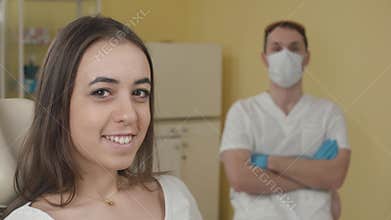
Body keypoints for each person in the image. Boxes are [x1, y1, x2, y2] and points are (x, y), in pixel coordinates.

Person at [3, 16, 202, 220]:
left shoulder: (175, 197)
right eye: (102, 92)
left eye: (140, 93)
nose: (129, 114)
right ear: (57, 106)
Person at [220, 20, 351, 220]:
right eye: (277, 48)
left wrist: (266, 162)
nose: (286, 55)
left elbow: (335, 176)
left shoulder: (329, 113)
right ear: (265, 59)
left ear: (306, 58)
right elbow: (240, 178)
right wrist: (314, 173)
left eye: (294, 48)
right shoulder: (243, 112)